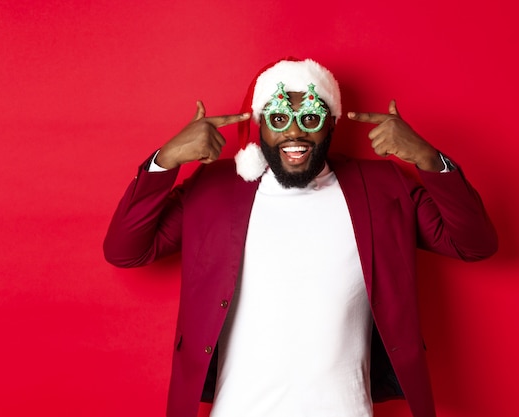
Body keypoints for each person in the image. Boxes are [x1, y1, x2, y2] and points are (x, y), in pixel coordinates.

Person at [103, 58, 497, 417]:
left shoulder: (381, 187)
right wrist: (165, 160)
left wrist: (427, 159)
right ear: (260, 125)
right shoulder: (215, 190)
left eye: (310, 117)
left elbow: (474, 243)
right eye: (278, 119)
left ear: (331, 122)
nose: (294, 131)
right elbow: (126, 250)